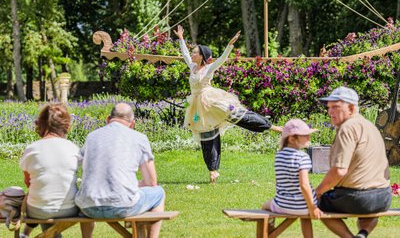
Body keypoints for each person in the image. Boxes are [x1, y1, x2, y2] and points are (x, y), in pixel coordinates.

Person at [174, 25, 281, 183]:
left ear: (202, 56)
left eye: (195, 52)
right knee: (207, 136)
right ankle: (213, 171)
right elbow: (184, 55)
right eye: (193, 52)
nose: (192, 54)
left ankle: (271, 127)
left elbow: (222, 59)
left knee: (239, 116)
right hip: (198, 107)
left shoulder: (208, 68)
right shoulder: (192, 67)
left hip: (211, 100)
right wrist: (181, 39)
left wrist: (230, 45)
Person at [75, 103, 165, 238]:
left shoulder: (91, 137)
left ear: (108, 119)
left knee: (89, 192)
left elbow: (77, 163)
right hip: (123, 205)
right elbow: (151, 182)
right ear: (132, 123)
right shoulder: (139, 138)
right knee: (159, 192)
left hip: (88, 206)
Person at [316, 86, 391, 238]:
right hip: (383, 197)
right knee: (368, 212)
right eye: (329, 107)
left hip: (357, 198)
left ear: (351, 108)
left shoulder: (347, 128)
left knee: (317, 204)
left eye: (335, 107)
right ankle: (362, 234)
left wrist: (317, 192)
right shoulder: (371, 126)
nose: (330, 112)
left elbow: (339, 170)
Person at [19, 103, 93, 238]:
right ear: (66, 125)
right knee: (86, 204)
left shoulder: (32, 149)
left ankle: (29, 234)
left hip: (38, 210)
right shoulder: (73, 148)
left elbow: (28, 182)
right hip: (68, 209)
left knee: (42, 202)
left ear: (40, 124)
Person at [262, 119, 322, 238]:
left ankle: (270, 231)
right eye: (305, 135)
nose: (309, 137)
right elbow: (304, 185)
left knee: (265, 206)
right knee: (305, 218)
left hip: (282, 205)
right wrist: (312, 207)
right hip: (305, 206)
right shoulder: (302, 157)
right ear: (292, 139)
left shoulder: (278, 156)